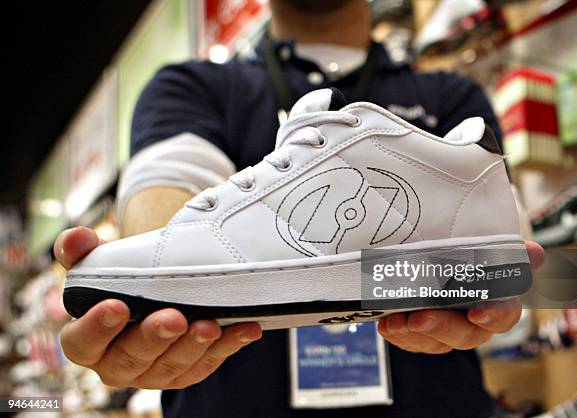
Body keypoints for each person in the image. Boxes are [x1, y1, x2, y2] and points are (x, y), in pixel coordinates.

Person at [54, 1, 545, 417]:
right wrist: (164, 276)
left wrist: (474, 292)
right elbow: (164, 193)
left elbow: (513, 251)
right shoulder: (190, 85)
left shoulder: (449, 93)